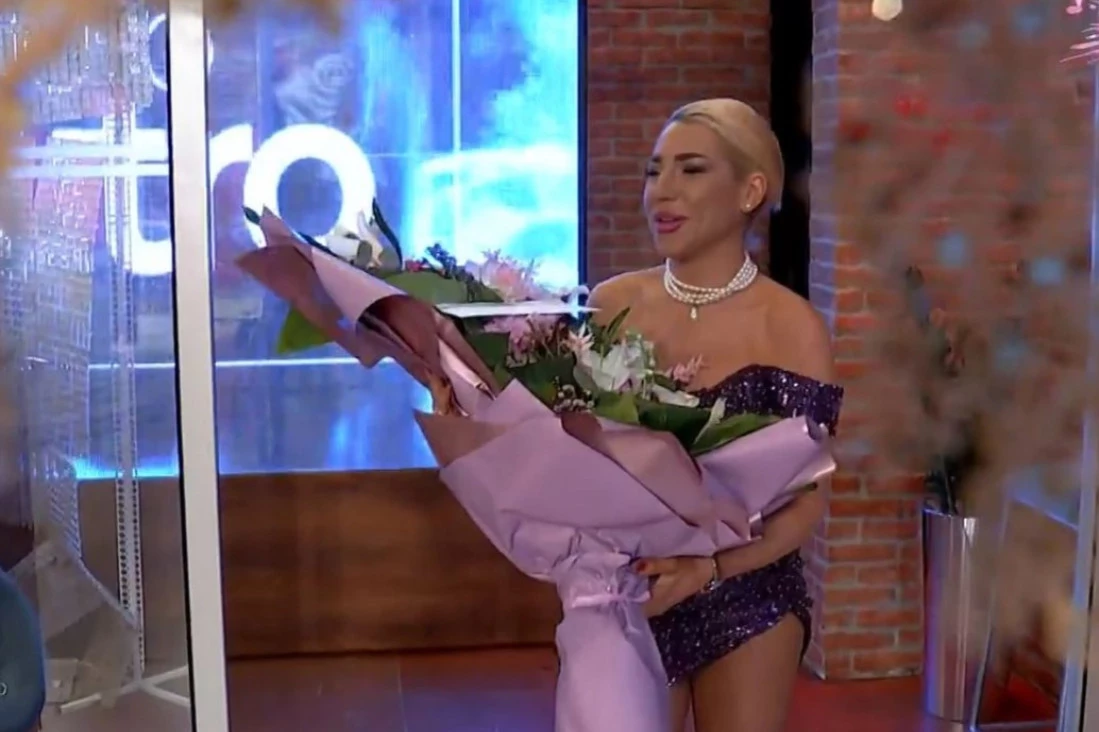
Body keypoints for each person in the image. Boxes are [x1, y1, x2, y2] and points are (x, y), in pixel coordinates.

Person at [587, 98, 843, 732]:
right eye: (654, 171)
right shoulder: (611, 305)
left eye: (691, 169)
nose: (662, 191)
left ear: (750, 191)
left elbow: (806, 501)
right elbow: (570, 451)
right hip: (631, 585)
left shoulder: (792, 326)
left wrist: (712, 568)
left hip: (747, 588)